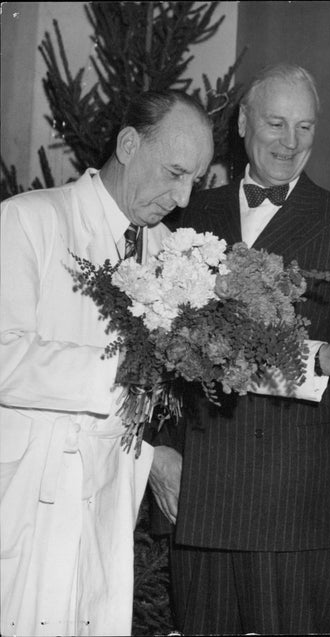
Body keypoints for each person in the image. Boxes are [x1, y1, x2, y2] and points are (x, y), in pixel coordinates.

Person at [149, 63, 330, 635]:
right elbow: (155, 348)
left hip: (296, 496)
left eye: (304, 127)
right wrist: (159, 454)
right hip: (198, 490)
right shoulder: (189, 213)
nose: (290, 142)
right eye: (276, 123)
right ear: (245, 123)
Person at [0, 90, 214, 636]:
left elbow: (222, 353)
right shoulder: (29, 221)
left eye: (196, 179)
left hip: (107, 500)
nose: (184, 196)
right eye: (174, 172)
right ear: (127, 144)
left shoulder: (172, 253)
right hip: (26, 497)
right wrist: (119, 373)